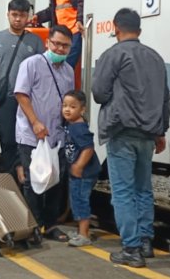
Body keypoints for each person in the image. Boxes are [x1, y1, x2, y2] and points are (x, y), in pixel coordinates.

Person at [92, 8, 170, 268]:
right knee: (143, 188)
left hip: (121, 130)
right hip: (149, 133)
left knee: (123, 192)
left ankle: (131, 249)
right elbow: (164, 98)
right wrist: (161, 131)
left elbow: (99, 93)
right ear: (140, 29)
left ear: (116, 27)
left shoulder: (113, 55)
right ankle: (146, 242)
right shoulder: (156, 58)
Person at [13, 25, 75, 242]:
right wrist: (35, 122)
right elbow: (21, 94)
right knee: (33, 182)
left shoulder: (68, 70)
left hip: (56, 136)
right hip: (32, 134)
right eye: (56, 43)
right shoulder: (31, 64)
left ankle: (50, 225)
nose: (59, 49)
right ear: (48, 42)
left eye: (65, 46)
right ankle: (32, 227)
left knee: (55, 181)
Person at [0, 0, 45, 175]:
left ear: (28, 17)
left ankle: (27, 180)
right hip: (5, 100)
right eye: (14, 15)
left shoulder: (36, 42)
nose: (18, 19)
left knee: (27, 143)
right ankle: (13, 182)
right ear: (7, 14)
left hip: (28, 101)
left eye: (22, 15)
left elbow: (42, 72)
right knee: (8, 142)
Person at [61, 90, 100, 247]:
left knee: (80, 201)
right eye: (64, 105)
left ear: (82, 110)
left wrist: (78, 166)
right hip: (80, 172)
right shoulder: (72, 125)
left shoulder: (79, 128)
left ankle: (84, 235)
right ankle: (80, 231)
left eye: (72, 106)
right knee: (77, 199)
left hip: (84, 173)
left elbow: (88, 148)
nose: (67, 109)